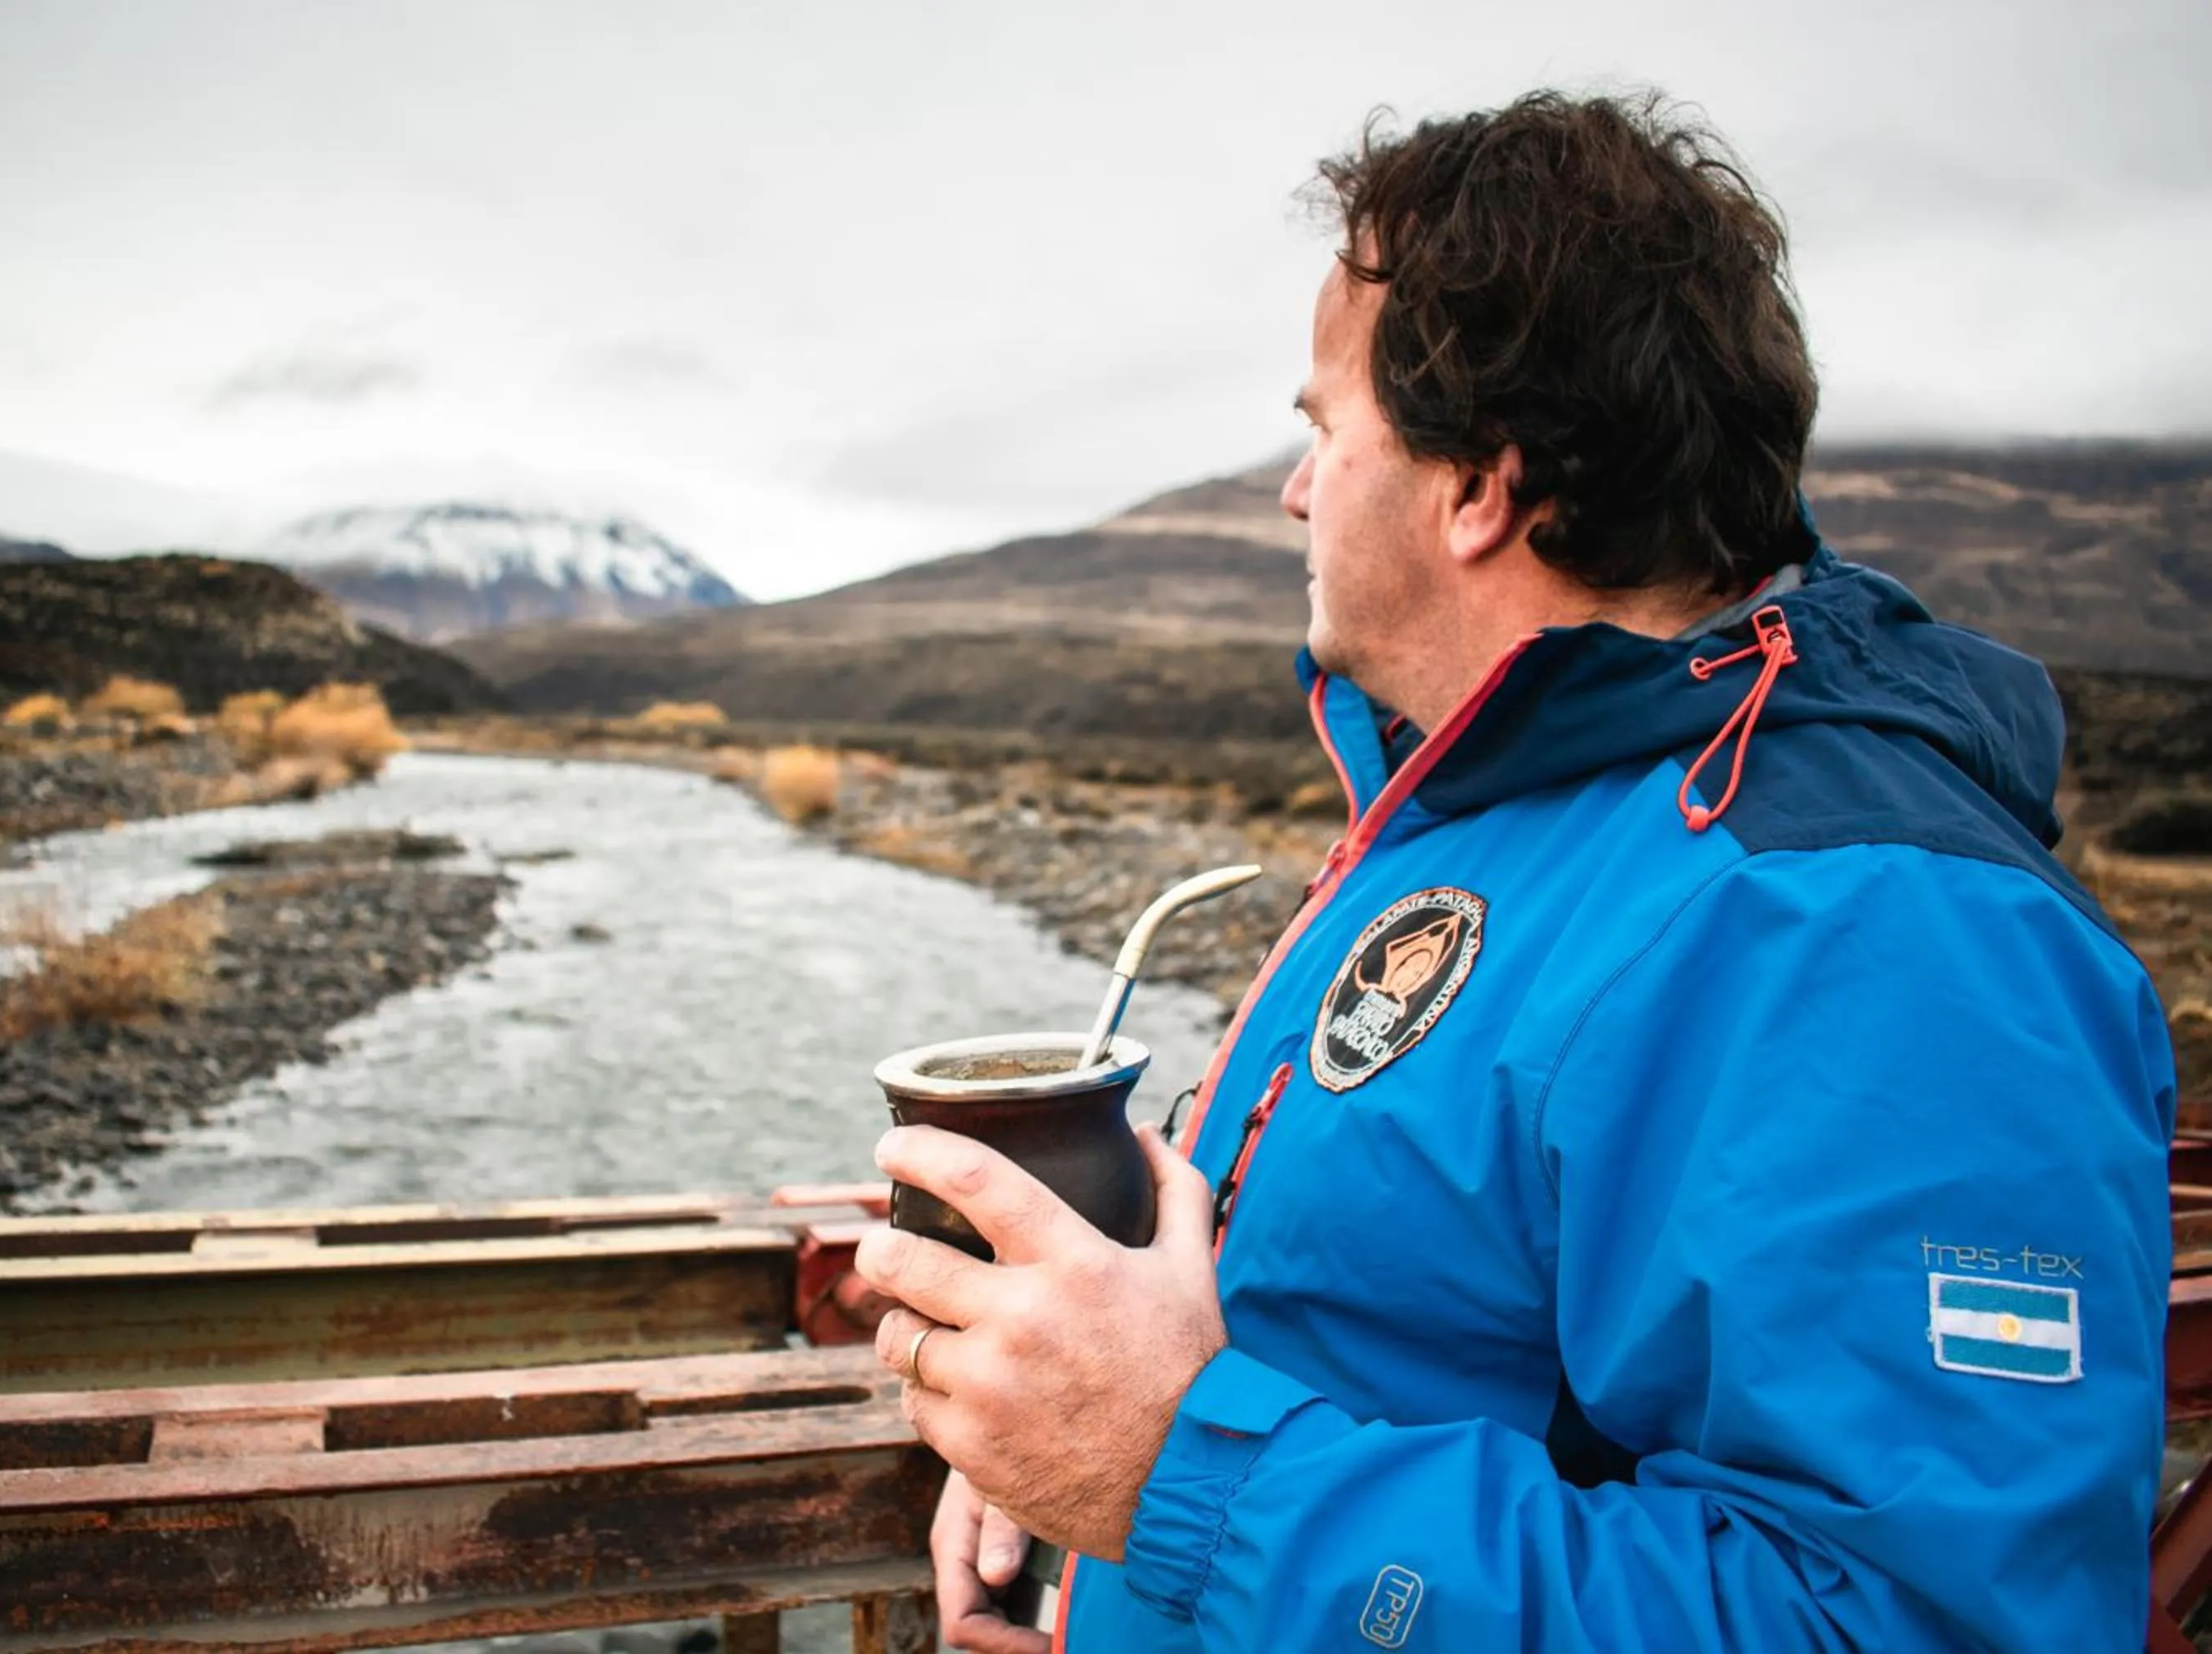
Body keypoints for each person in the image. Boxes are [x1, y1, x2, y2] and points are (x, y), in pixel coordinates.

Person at [852, 88, 2178, 1652]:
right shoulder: (1501, 805)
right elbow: (1380, 1326)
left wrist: (1172, 1476)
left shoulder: (1871, 928)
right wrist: (1073, 1475)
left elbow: (1910, 1621)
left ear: (1479, 484)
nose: (1296, 490)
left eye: (1322, 430)